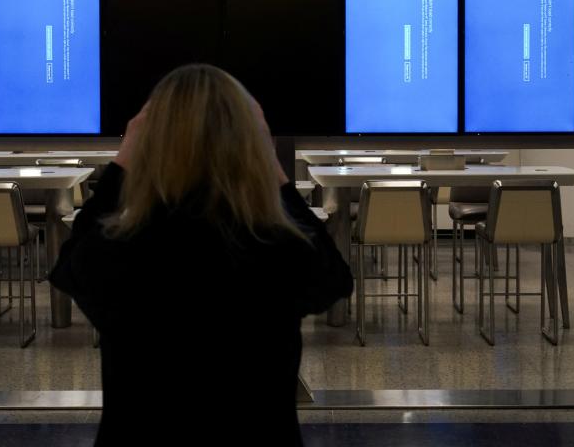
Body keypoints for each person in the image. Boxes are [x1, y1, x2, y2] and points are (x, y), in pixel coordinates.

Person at [50, 64, 353, 447]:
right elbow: (335, 279)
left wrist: (120, 165)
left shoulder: (123, 246)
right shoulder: (274, 245)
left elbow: (68, 268)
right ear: (252, 143)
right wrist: (276, 173)